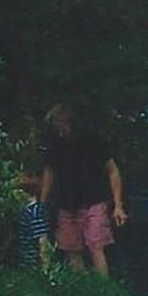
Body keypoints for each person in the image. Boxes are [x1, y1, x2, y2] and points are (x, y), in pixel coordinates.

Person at [40, 104, 128, 276]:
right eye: (57, 128)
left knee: (96, 246)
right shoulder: (55, 145)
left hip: (94, 200)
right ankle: (82, 285)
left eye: (63, 127)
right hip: (66, 202)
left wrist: (118, 205)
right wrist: (42, 203)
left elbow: (112, 170)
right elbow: (49, 172)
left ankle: (103, 287)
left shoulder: (92, 141)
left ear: (71, 123)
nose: (61, 132)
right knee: (71, 249)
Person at [15, 171, 51, 271]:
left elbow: (42, 241)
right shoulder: (26, 211)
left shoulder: (35, 212)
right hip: (25, 264)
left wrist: (45, 269)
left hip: (33, 265)